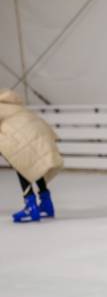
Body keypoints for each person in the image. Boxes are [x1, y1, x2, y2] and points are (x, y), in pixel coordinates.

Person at [0, 89, 62, 222]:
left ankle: (30, 206)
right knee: (35, 165)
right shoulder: (11, 104)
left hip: (25, 138)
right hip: (39, 133)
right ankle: (46, 204)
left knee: (22, 163)